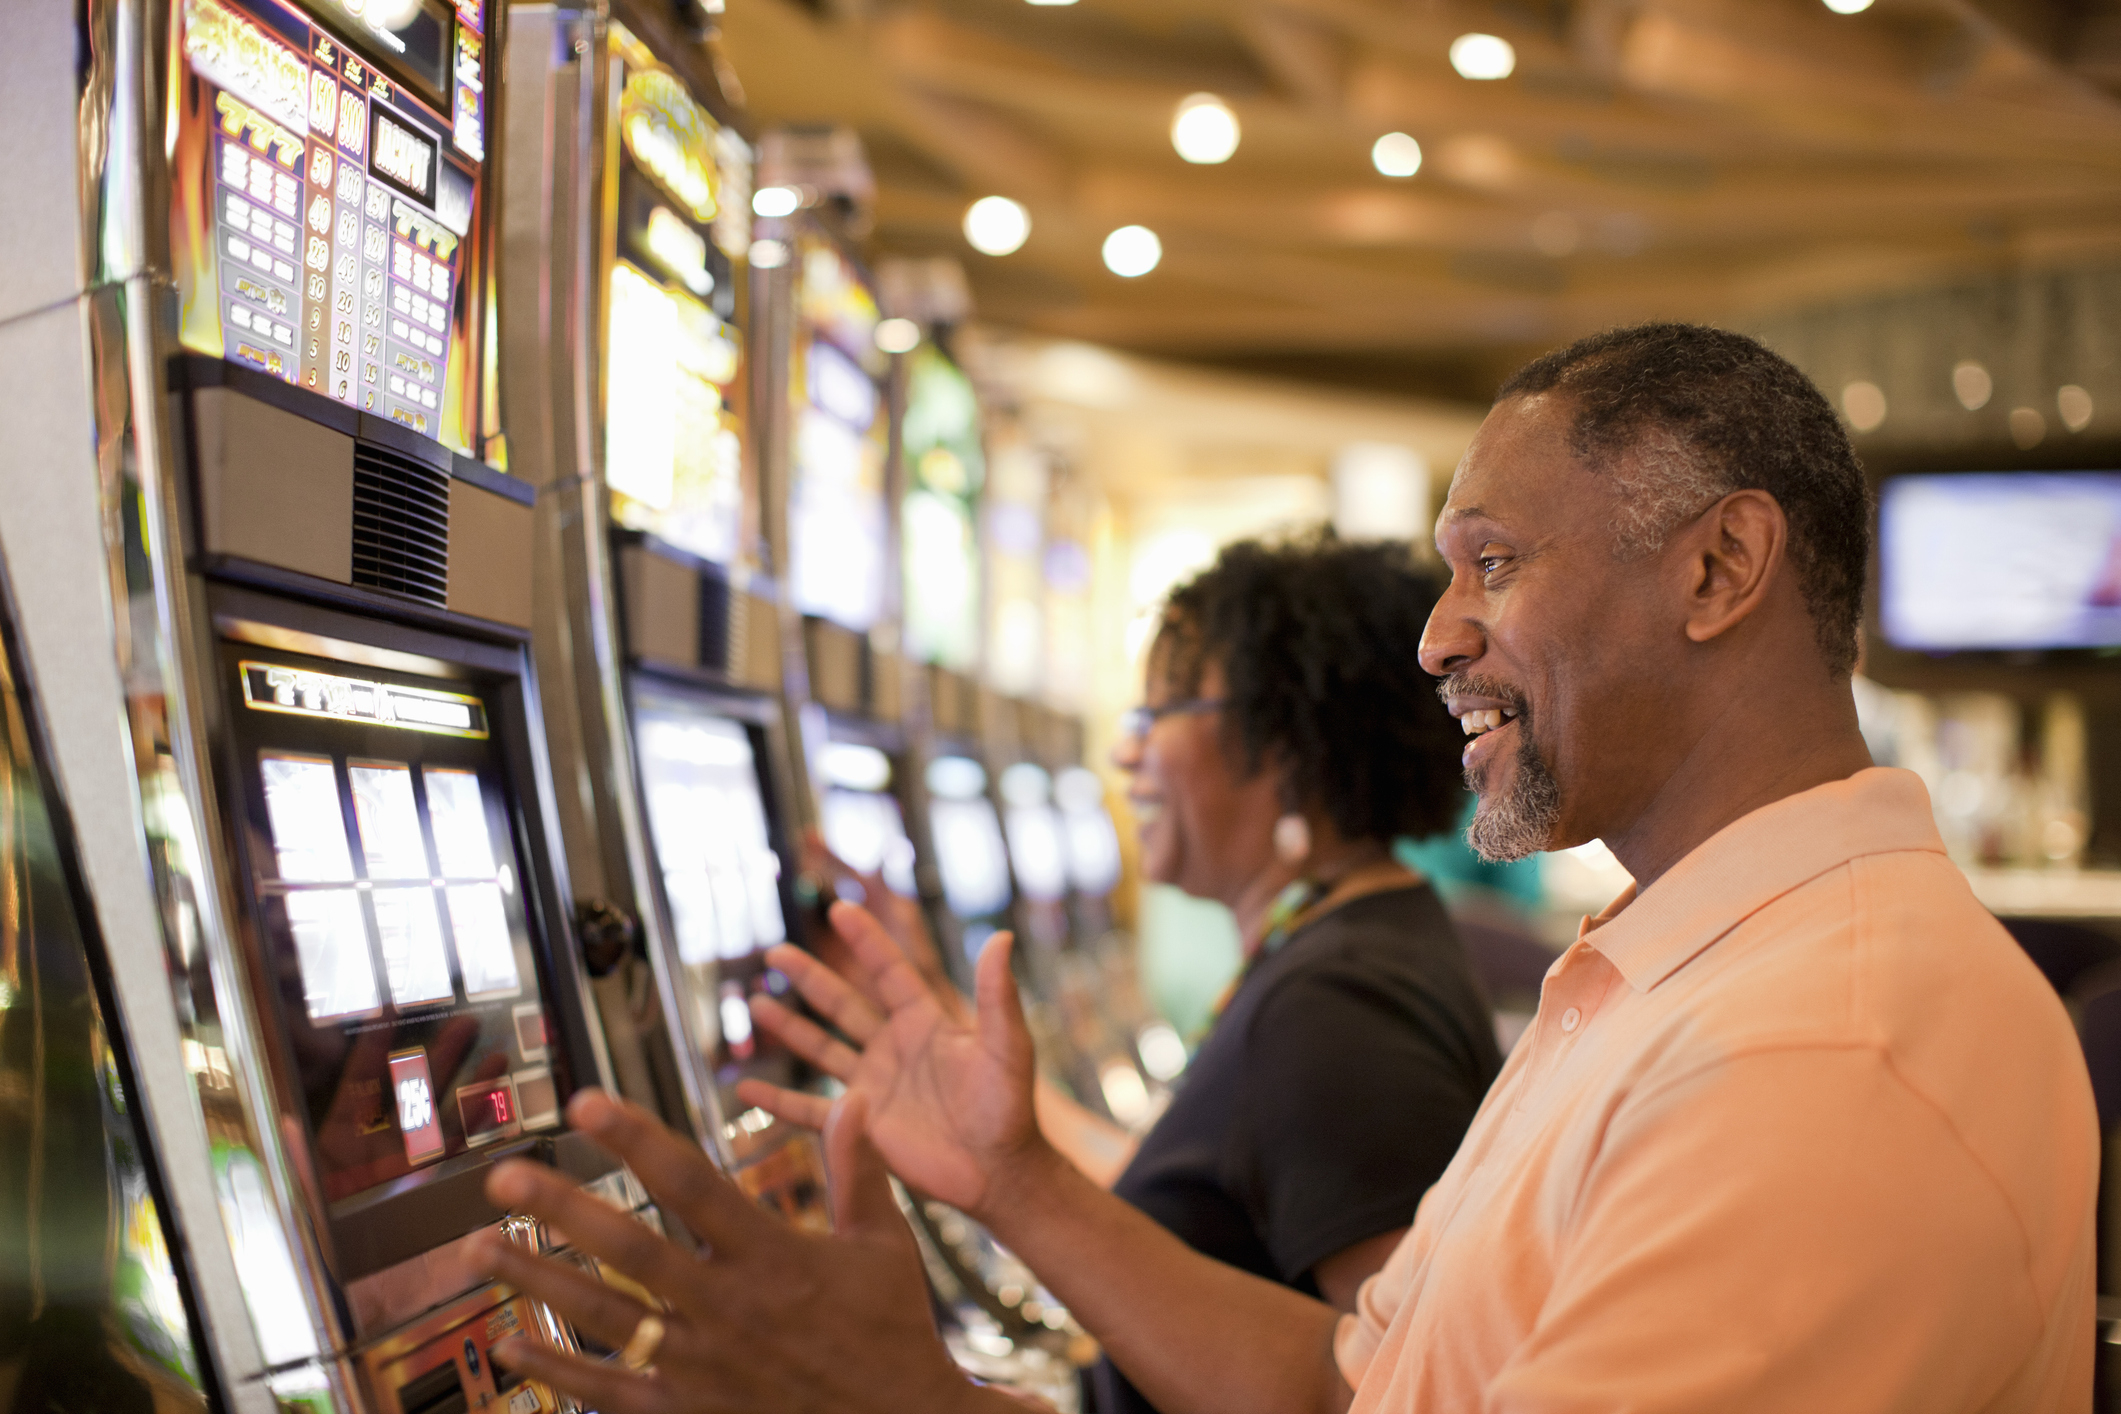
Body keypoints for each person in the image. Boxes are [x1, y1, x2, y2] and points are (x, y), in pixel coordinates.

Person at [467, 322, 2098, 1414]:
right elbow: (1348, 1378)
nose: (1435, 633)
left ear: (1721, 564)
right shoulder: (1682, 967)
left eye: (1493, 564)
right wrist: (1014, 1178)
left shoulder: (1823, 1051)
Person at [782, 534, 1500, 1414]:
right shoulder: (1340, 941)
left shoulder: (1340, 1009)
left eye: (1152, 716)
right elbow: (1195, 1205)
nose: (1124, 757)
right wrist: (943, 1030)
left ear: (1279, 740)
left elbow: (1396, 1385)